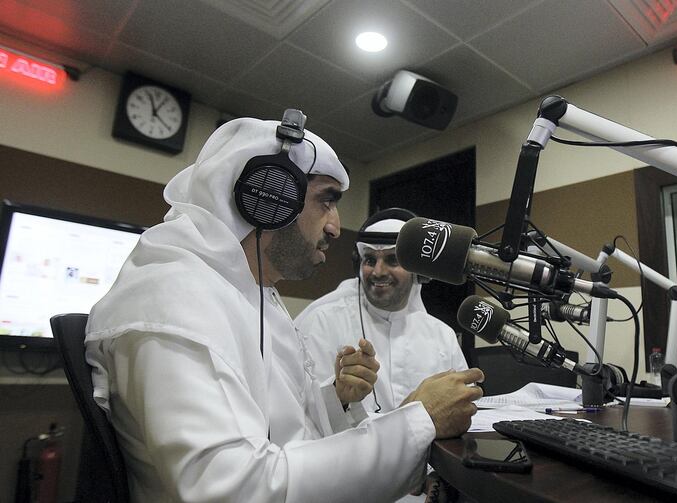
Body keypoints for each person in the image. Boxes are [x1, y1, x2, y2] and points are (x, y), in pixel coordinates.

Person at [84, 114, 483, 503]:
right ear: (268, 198)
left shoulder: (254, 298)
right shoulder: (172, 302)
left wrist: (336, 398)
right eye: (326, 202)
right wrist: (420, 419)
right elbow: (232, 489)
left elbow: (290, 432)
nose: (334, 227)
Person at [296, 208, 468, 414]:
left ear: (419, 272)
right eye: (369, 260)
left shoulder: (442, 336)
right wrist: (339, 398)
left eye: (392, 260)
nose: (378, 272)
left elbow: (462, 403)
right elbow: (306, 414)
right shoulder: (322, 323)